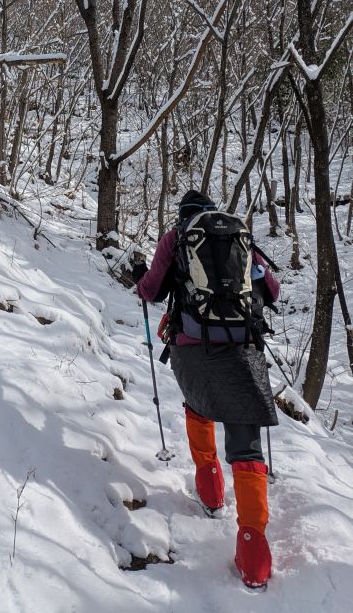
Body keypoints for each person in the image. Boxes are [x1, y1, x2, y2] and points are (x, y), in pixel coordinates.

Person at [133, 190, 280, 590]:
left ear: (183, 215)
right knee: (247, 446)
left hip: (193, 350)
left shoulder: (176, 237)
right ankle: (254, 553)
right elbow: (273, 291)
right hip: (242, 350)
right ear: (213, 213)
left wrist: (139, 274)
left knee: (198, 408)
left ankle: (211, 490)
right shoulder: (240, 237)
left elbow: (151, 291)